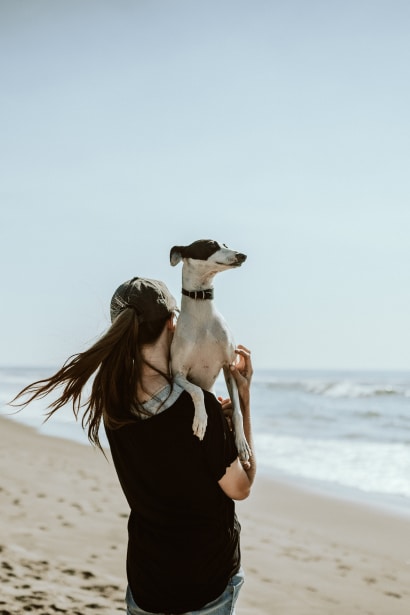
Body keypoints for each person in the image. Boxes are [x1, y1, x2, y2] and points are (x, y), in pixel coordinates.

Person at [12, 276, 256, 615]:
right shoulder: (196, 409)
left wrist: (218, 425)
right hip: (206, 581)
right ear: (174, 323)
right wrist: (242, 402)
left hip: (148, 583)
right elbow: (241, 487)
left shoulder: (112, 402)